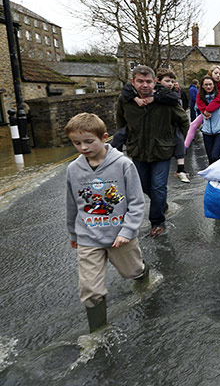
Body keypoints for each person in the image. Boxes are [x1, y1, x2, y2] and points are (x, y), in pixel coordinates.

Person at [64, 113, 150, 333]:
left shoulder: (123, 165)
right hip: (88, 237)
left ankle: (143, 273)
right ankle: (98, 332)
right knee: (90, 289)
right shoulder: (73, 169)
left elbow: (136, 201)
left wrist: (128, 230)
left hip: (119, 236)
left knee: (132, 271)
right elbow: (72, 204)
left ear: (104, 137)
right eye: (76, 143)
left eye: (88, 141)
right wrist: (73, 234)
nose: (83, 147)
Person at [116, 65, 189, 237]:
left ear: (154, 82)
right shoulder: (125, 100)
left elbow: (183, 120)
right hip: (137, 149)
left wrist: (175, 141)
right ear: (133, 82)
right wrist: (124, 139)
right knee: (142, 185)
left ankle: (157, 222)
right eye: (140, 81)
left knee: (158, 186)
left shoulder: (166, 100)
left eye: (148, 81)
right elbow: (120, 120)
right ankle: (160, 201)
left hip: (161, 151)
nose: (145, 85)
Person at [195, 75, 220, 164]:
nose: (208, 87)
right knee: (210, 158)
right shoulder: (200, 99)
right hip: (206, 132)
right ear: (202, 86)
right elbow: (196, 110)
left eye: (210, 84)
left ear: (214, 85)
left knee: (215, 155)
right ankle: (213, 177)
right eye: (206, 85)